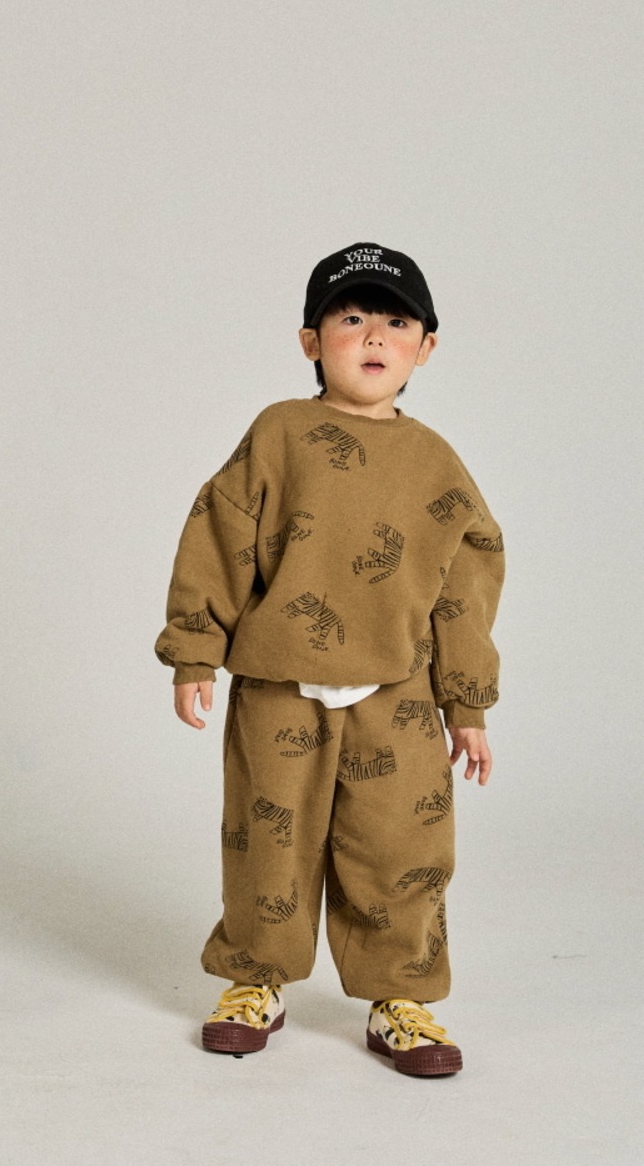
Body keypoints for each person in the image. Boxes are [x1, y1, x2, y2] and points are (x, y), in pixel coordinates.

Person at [155, 243, 502, 1078]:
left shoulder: (435, 463)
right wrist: (195, 653)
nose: (374, 336)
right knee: (267, 843)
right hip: (280, 687)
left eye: (397, 322)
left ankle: (399, 994)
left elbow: (465, 586)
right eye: (351, 318)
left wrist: (467, 705)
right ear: (311, 340)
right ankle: (255, 977)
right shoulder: (279, 433)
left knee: (401, 845)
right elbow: (219, 536)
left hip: (399, 694)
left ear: (426, 347)